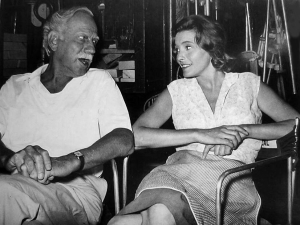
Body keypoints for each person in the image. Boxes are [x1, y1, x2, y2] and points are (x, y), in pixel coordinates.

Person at [108, 14, 300, 225]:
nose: (179, 56)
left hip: (228, 181)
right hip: (177, 173)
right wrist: (203, 135)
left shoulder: (249, 85)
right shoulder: (177, 91)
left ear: (211, 48)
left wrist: (242, 130)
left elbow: (296, 124)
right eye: (177, 49)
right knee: (158, 212)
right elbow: (136, 136)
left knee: (133, 221)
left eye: (187, 47)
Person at [0, 6, 134, 225]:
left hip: (75, 192)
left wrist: (71, 161)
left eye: (94, 41)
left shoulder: (99, 82)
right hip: (14, 184)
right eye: (82, 38)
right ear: (54, 41)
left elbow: (124, 139)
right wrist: (8, 158)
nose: (91, 49)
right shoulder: (15, 86)